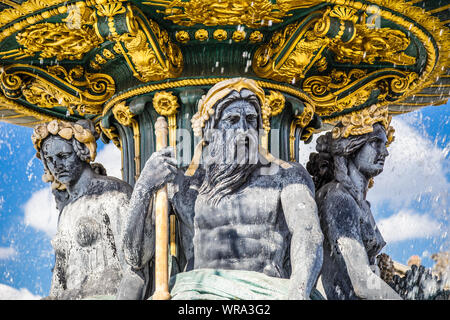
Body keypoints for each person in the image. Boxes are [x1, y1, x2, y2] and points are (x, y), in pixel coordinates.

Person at [119, 78, 324, 300]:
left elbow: (308, 234)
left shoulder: (287, 176)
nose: (244, 129)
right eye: (233, 120)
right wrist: (144, 186)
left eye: (251, 120)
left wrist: (299, 292)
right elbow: (135, 257)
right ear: (209, 130)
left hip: (266, 294)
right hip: (196, 294)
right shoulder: (182, 184)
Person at [306, 105, 402, 300]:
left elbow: (370, 275)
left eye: (384, 145)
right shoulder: (337, 197)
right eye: (375, 143)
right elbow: (362, 281)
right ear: (351, 145)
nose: (385, 152)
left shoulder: (362, 205)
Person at [32, 119, 132, 299]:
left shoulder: (111, 194)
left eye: (63, 156)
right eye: (50, 160)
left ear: (82, 152)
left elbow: (131, 269)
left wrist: (80, 292)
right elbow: (59, 280)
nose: (56, 166)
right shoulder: (66, 211)